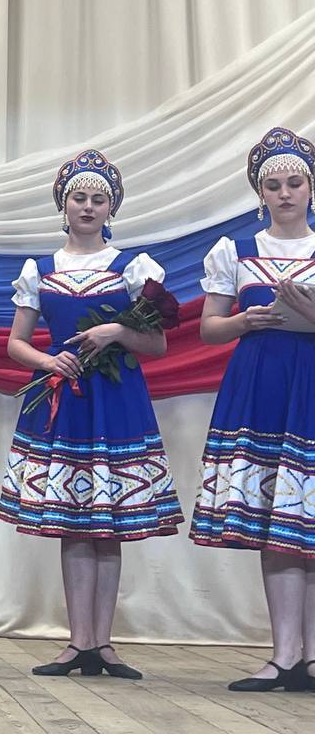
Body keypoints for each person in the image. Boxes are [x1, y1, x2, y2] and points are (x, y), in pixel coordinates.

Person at [0, 149, 183, 679]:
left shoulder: (132, 267)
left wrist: (117, 331)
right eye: (78, 197)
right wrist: (47, 360)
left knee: (107, 523)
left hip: (115, 401)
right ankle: (78, 642)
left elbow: (158, 344)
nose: (87, 206)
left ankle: (103, 644)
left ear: (111, 208)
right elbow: (15, 343)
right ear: (63, 204)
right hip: (66, 399)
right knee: (73, 524)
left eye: (98, 199)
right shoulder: (40, 269)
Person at [191, 126, 315, 693]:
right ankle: (285, 654)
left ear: (310, 188)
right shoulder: (235, 252)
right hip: (262, 385)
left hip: (310, 384)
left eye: (294, 183)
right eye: (274, 185)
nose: (285, 193)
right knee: (274, 522)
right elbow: (209, 330)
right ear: (259, 193)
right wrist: (244, 320)